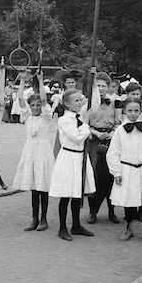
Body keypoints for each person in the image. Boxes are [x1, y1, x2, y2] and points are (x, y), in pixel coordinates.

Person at [49, 88, 96, 241]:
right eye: (76, 101)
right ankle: (62, 227)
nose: (79, 103)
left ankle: (76, 225)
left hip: (80, 157)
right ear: (67, 104)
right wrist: (86, 124)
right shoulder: (64, 120)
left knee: (78, 193)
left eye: (80, 100)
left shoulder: (79, 118)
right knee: (66, 194)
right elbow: (76, 137)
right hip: (69, 157)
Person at [106, 99, 142, 243]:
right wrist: (117, 172)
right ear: (124, 112)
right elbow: (113, 152)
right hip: (127, 169)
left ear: (140, 111)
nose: (133, 114)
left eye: (136, 111)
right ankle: (129, 227)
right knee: (129, 201)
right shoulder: (120, 131)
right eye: (130, 111)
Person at [12, 70, 54, 231]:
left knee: (43, 187)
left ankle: (44, 218)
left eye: (37, 105)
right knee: (34, 188)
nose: (36, 107)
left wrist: (40, 80)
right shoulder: (27, 115)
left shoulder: (45, 116)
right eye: (33, 105)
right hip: (30, 151)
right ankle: (35, 218)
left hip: (42, 152)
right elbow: (20, 98)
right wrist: (22, 80)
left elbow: (43, 100)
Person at [84, 71, 120, 224]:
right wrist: (95, 132)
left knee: (110, 175)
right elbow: (83, 124)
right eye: (97, 85)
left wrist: (113, 133)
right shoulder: (88, 104)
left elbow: (119, 122)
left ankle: (112, 211)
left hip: (110, 141)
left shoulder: (115, 103)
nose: (100, 88)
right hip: (94, 141)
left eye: (103, 86)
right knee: (94, 175)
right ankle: (93, 211)